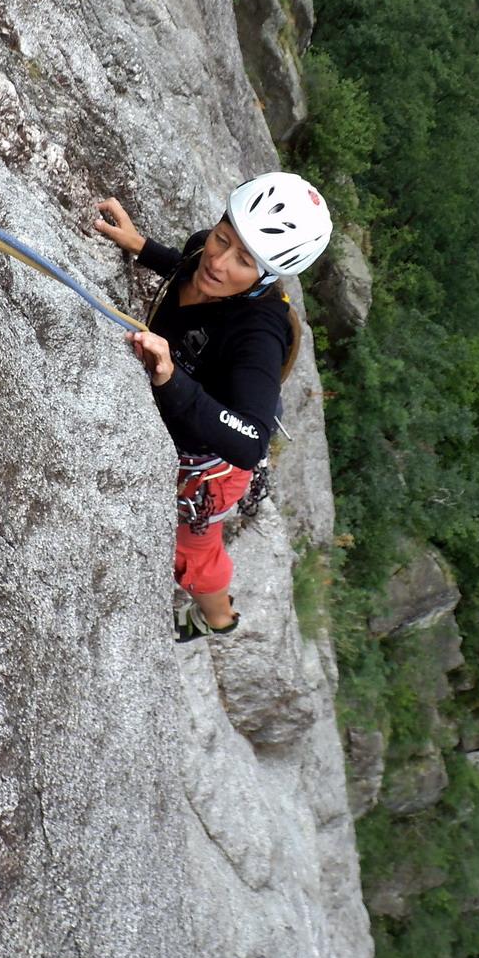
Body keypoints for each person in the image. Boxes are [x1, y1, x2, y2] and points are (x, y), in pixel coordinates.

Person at [94, 172, 332, 642]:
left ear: (266, 274)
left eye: (244, 260)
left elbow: (251, 441)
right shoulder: (205, 252)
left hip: (211, 465)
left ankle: (216, 619)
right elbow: (189, 267)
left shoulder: (258, 335)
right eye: (224, 237)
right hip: (191, 423)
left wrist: (172, 380)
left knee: (193, 553)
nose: (220, 262)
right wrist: (141, 246)